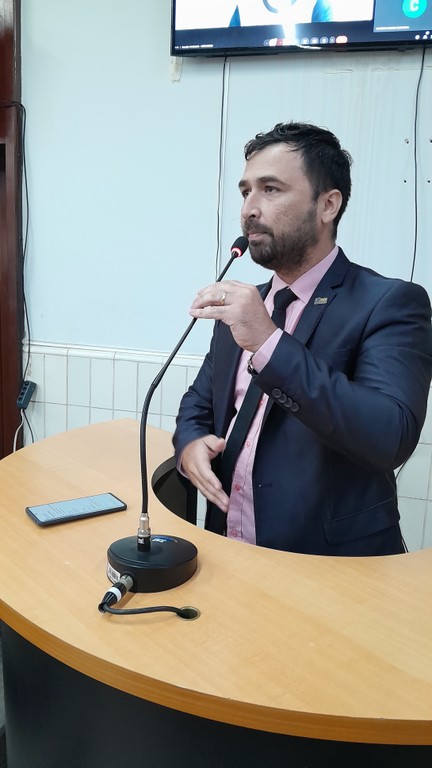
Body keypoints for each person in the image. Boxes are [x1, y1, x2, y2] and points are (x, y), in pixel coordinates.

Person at [173, 121, 432, 556]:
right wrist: (189, 444)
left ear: (328, 204)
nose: (249, 209)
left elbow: (390, 436)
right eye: (245, 192)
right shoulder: (244, 306)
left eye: (270, 189)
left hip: (331, 564)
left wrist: (269, 342)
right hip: (229, 546)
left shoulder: (389, 302)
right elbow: (199, 402)